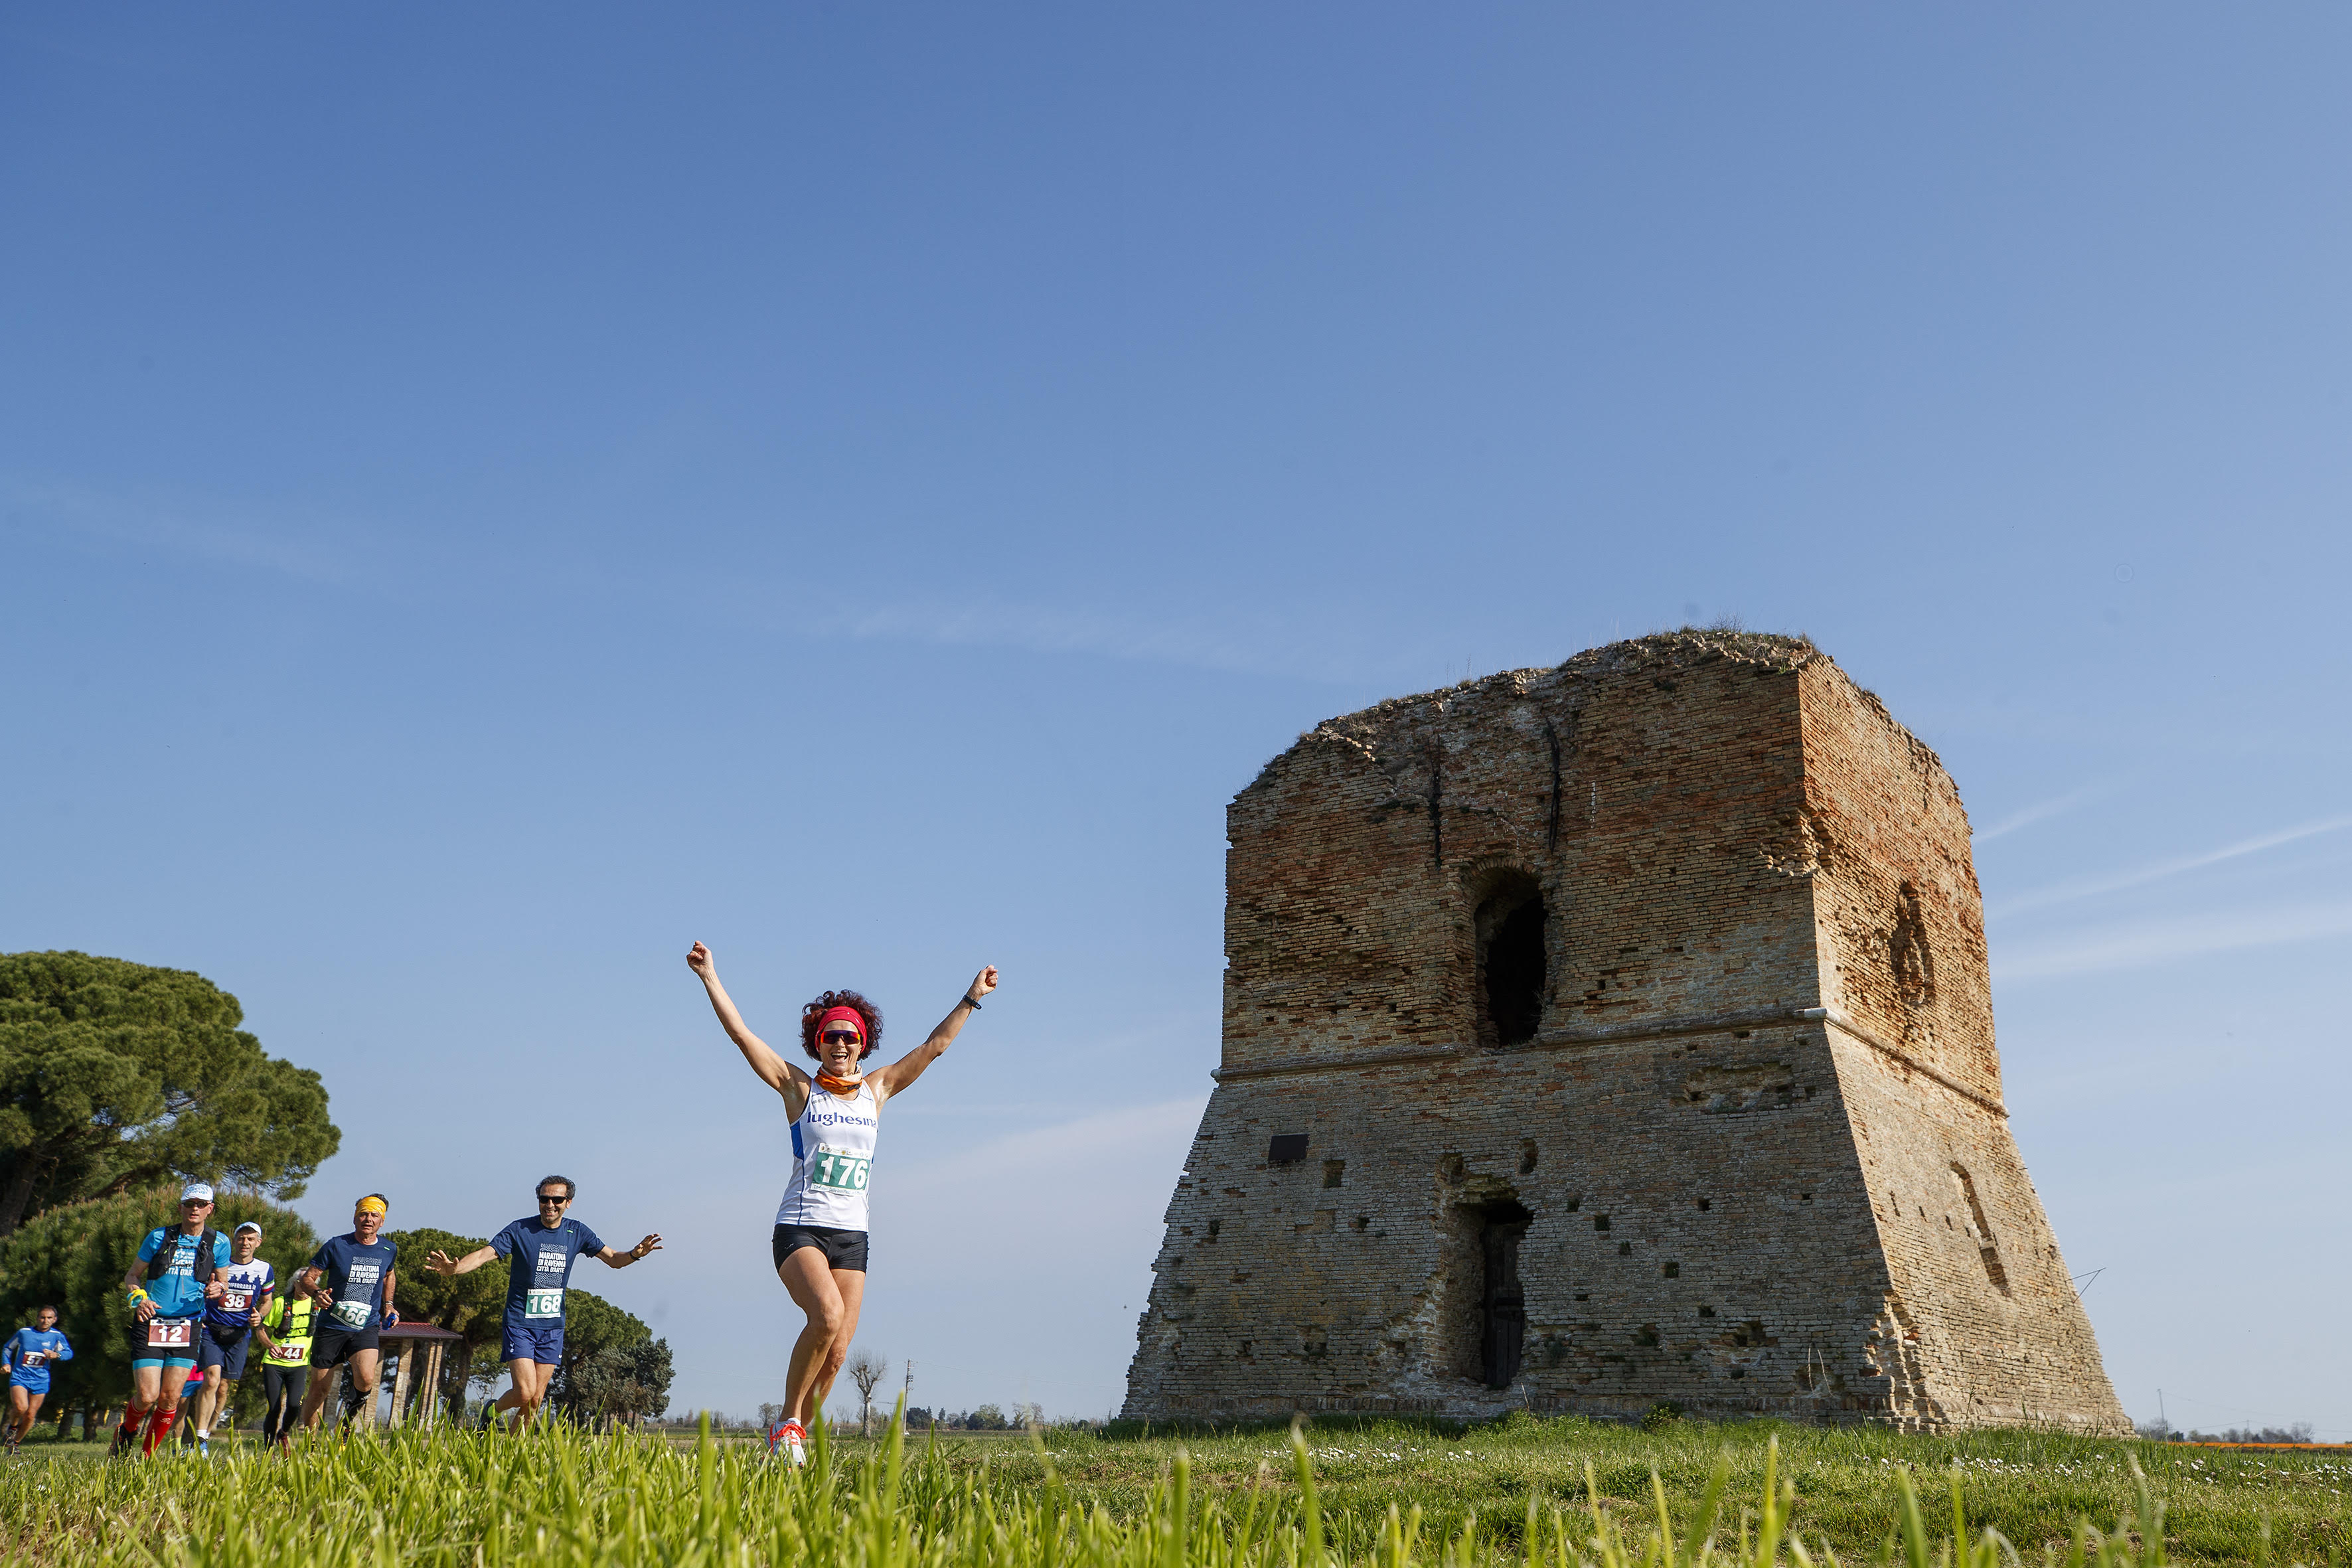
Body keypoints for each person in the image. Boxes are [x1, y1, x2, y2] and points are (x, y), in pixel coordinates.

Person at [686, 940, 996, 1466]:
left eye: (849, 1036)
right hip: (800, 1228)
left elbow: (933, 1048)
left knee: (837, 1353)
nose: (840, 1043)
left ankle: (793, 1443)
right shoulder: (799, 1090)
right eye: (830, 1035)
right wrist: (709, 976)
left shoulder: (877, 1091)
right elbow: (742, 1035)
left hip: (853, 1236)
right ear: (817, 1040)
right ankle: (786, 1424)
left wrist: (971, 997)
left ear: (863, 1043)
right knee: (825, 1316)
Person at [424, 1176, 662, 1431]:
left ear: (568, 1202)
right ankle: (491, 1411)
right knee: (525, 1393)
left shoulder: (577, 1231)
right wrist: (455, 1269)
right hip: (519, 1322)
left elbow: (614, 1259)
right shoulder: (520, 1230)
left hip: (552, 1326)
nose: (550, 1204)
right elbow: (484, 1255)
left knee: (535, 1400)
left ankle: (513, 1456)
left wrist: (636, 1254)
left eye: (557, 1199)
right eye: (544, 1199)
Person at [116, 1182, 232, 1457]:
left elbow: (223, 1282)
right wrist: (139, 1299)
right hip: (152, 1321)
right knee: (147, 1396)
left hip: (188, 1325)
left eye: (201, 1205)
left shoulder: (220, 1242)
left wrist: (220, 1289)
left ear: (210, 1209)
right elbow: (131, 1276)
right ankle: (125, 1434)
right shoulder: (159, 1237)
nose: (195, 1209)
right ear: (180, 1207)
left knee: (170, 1398)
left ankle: (147, 1456)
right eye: (190, 1204)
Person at [293, 1194, 400, 1435]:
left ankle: (346, 1427)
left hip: (366, 1325)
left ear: (382, 1221)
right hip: (331, 1326)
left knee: (366, 1379)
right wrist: (317, 1293)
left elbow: (389, 1274)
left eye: (374, 1215)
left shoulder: (388, 1249)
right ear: (355, 1218)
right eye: (363, 1214)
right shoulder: (336, 1245)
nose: (368, 1219)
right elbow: (307, 1278)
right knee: (319, 1391)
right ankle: (310, 1444)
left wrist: (389, 1304)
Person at [191, 1220, 275, 1452]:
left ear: (258, 1243)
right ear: (234, 1240)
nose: (244, 1243)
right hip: (211, 1329)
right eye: (241, 1238)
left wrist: (260, 1316)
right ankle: (199, 1439)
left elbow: (267, 1300)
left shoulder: (265, 1269)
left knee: (223, 1388)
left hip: (239, 1335)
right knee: (211, 1379)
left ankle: (206, 1433)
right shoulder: (220, 1264)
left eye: (250, 1239)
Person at [3, 1306, 72, 1456]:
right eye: (42, 1317)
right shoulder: (24, 1333)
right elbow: (8, 1348)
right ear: (37, 1318)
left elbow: (68, 1353)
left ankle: (15, 1445)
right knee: (21, 1408)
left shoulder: (57, 1336)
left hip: (41, 1379)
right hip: (20, 1376)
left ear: (54, 1320)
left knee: (30, 1415)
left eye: (49, 1318)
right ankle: (12, 1429)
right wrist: (6, 1363)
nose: (45, 1321)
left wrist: (56, 1355)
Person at [252, 1285, 316, 1446]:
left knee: (295, 1405)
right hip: (274, 1364)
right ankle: (268, 1449)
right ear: (295, 1284)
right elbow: (261, 1329)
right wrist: (270, 1346)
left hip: (299, 1364)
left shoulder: (317, 1306)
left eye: (308, 1285)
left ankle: (284, 1433)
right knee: (274, 1408)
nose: (304, 1288)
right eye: (301, 1283)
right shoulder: (280, 1303)